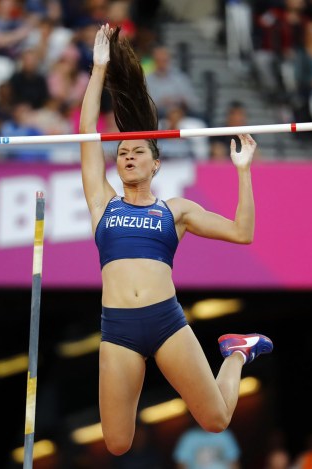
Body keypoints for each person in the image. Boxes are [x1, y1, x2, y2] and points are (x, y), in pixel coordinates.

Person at [79, 23, 273, 456]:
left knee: (217, 418)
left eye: (138, 152)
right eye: (123, 153)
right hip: (119, 329)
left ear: (156, 163)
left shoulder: (176, 211)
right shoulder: (102, 203)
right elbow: (87, 129)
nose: (127, 157)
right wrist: (98, 70)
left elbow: (243, 233)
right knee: (116, 443)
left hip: (165, 323)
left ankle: (238, 353)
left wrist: (243, 173)